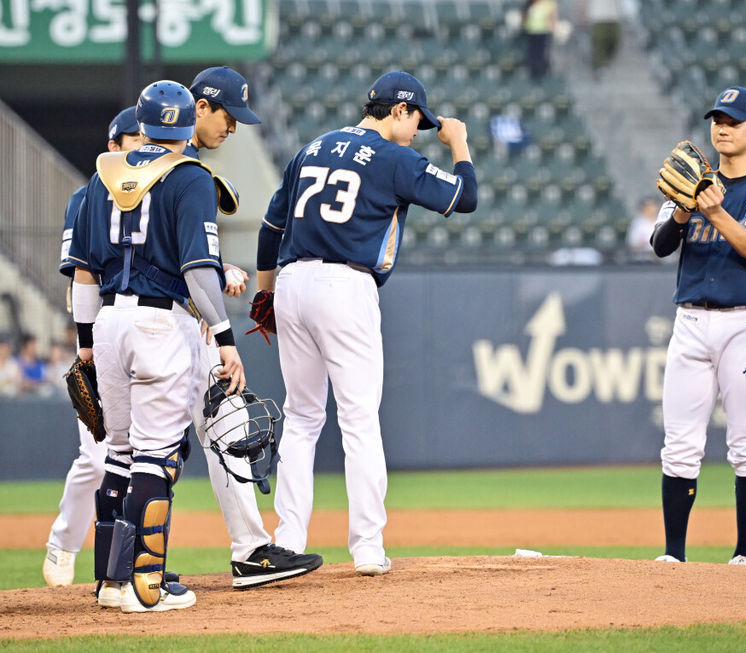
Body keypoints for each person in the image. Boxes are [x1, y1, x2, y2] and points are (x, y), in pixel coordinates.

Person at [257, 71, 477, 575]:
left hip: (291, 281)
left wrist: (265, 293)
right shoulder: (395, 156)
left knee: (303, 417)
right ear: (399, 110)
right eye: (418, 118)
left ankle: (287, 538)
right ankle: (368, 547)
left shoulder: (310, 148)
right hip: (344, 287)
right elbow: (465, 197)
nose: (420, 129)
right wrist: (459, 142)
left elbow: (272, 227)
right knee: (357, 419)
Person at [68, 80, 245, 611]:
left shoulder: (100, 177)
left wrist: (85, 346)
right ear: (189, 126)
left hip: (108, 322)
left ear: (140, 125)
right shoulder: (190, 178)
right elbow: (197, 268)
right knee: (157, 456)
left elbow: (81, 275)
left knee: (118, 452)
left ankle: (110, 581)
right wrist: (225, 337)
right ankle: (147, 586)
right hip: (160, 325)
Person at [185, 65, 324, 587]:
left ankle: (122, 567)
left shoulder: (167, 165)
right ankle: (249, 551)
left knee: (143, 446)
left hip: (154, 320)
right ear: (200, 107)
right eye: (227, 115)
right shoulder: (182, 169)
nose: (233, 128)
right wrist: (221, 332)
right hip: (170, 324)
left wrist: (216, 269)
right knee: (218, 424)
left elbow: (168, 248)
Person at [650, 87, 746, 566]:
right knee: (679, 445)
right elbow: (659, 245)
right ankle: (674, 556)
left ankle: (744, 556)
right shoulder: (692, 181)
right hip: (691, 319)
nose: (722, 128)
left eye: (734, 121)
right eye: (717, 119)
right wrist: (682, 208)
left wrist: (714, 212)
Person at [43, 107, 143, 588]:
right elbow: (76, 279)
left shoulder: (165, 188)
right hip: (102, 331)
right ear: (114, 145)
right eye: (135, 136)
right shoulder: (87, 198)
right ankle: (64, 542)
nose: (145, 143)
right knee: (98, 456)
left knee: (150, 454)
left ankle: (137, 559)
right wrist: (85, 340)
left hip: (148, 330)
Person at [585, 0, 622, 76]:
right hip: (598, 16)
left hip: (613, 15)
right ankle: (598, 66)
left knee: (615, 39)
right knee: (599, 42)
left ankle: (605, 60)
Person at [523, 0, 557, 79]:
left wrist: (553, 29)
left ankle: (541, 74)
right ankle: (533, 73)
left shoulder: (549, 4)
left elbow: (552, 18)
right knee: (532, 54)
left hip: (543, 31)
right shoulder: (530, 3)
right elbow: (525, 16)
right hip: (531, 31)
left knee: (541, 54)